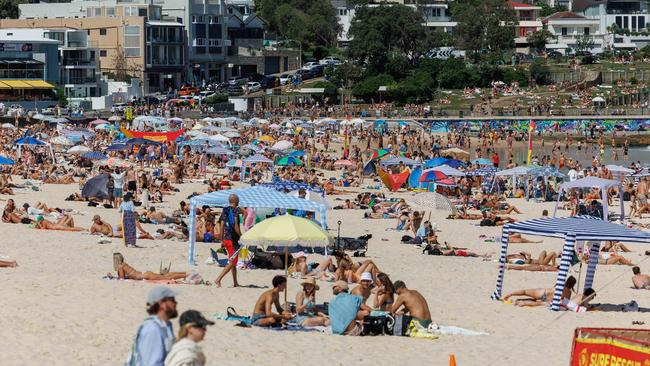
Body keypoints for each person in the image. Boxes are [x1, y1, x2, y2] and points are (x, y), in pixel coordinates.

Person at [126, 286, 178, 366]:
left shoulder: (164, 326)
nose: (175, 303)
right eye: (172, 300)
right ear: (161, 303)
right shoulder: (153, 329)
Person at [214, 194, 245, 287]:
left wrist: (222, 239)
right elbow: (235, 225)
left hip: (226, 240)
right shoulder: (235, 210)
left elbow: (222, 225)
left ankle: (235, 282)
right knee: (233, 261)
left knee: (233, 261)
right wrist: (242, 236)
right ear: (236, 201)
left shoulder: (225, 210)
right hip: (233, 240)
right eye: (238, 201)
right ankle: (218, 279)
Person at [111, 252, 187, 281]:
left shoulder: (120, 267)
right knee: (166, 276)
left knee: (167, 278)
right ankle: (184, 273)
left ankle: (186, 275)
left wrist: (112, 277)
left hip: (145, 276)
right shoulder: (124, 264)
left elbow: (121, 278)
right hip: (145, 274)